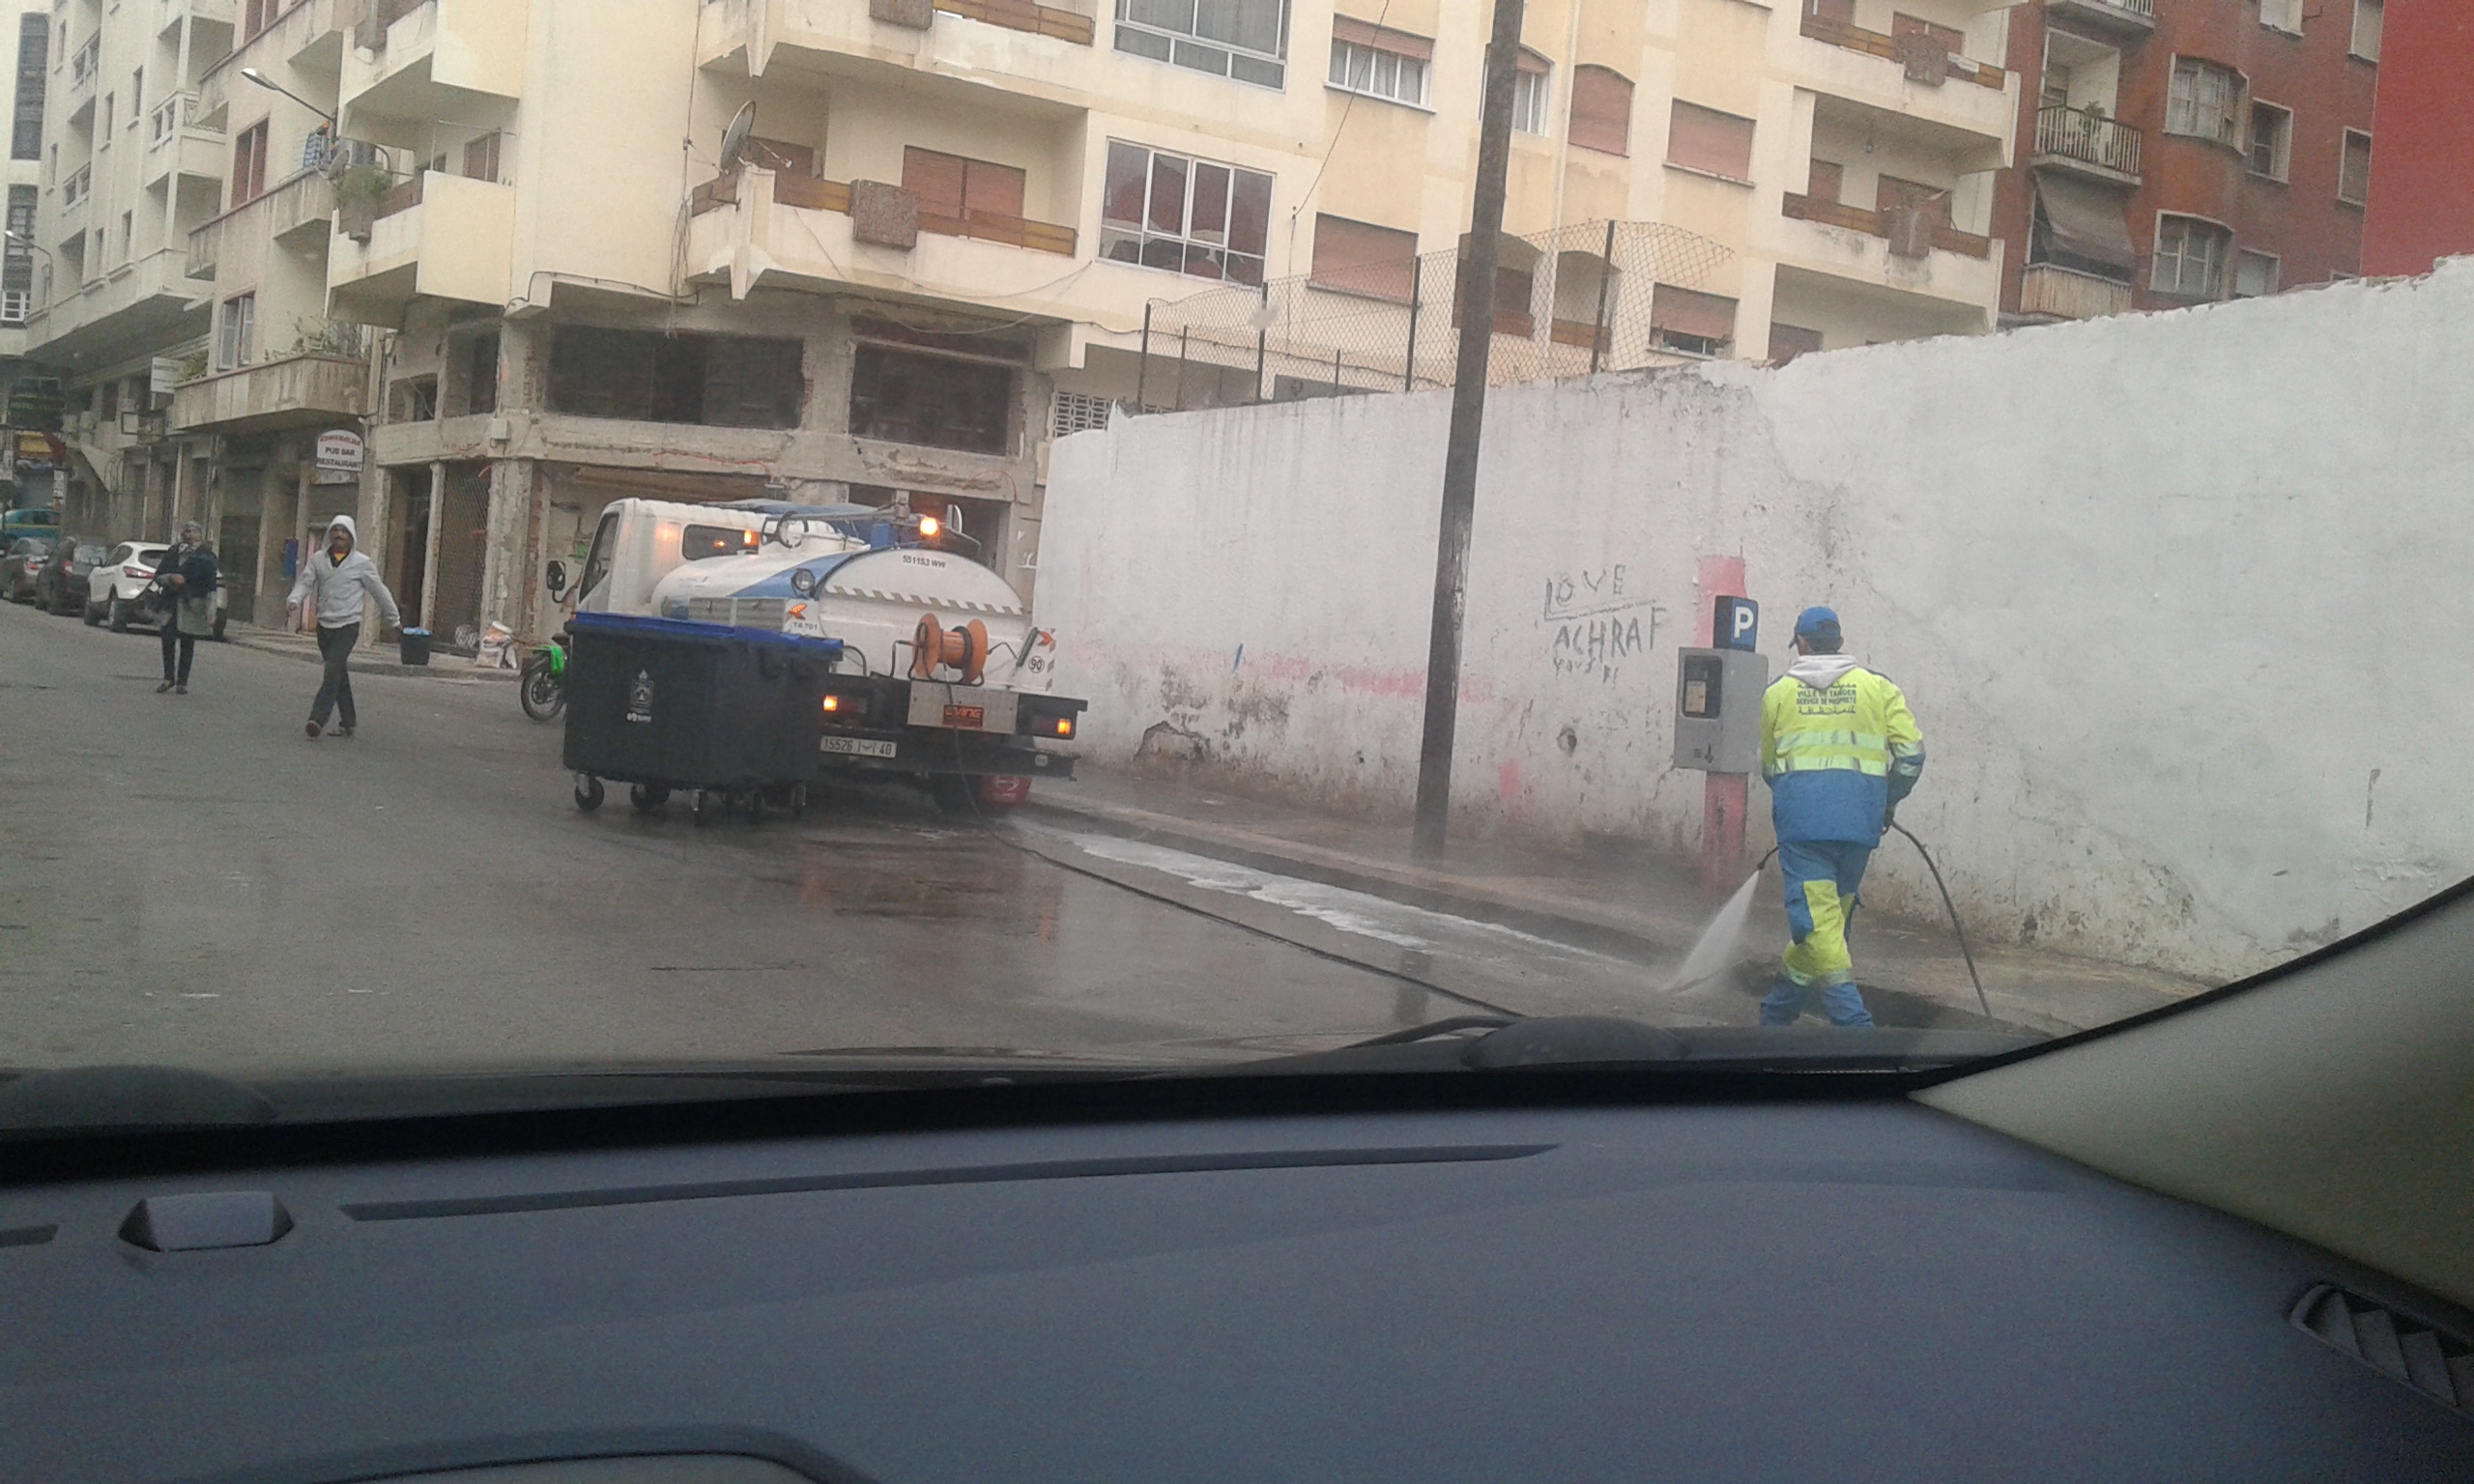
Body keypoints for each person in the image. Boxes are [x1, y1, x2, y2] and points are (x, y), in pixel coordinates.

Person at [1755, 607, 1925, 1028]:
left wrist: (1802, 800)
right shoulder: (1878, 688)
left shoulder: (1777, 693)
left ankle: (1855, 1028)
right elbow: (1911, 757)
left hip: (1804, 828)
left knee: (1818, 925)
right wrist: (1886, 799)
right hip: (1859, 827)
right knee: (1825, 926)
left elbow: (1770, 767)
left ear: (1804, 644)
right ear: (1840, 641)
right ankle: (1776, 1014)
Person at [286, 515, 400, 739]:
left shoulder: (362, 563)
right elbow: (305, 582)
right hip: (324, 626)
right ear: (330, 533)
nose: (339, 535)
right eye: (335, 530)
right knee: (338, 673)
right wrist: (294, 600)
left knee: (332, 672)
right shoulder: (318, 559)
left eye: (344, 531)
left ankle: (317, 719)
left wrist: (394, 619)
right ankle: (348, 722)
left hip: (347, 626)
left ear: (351, 536)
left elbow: (380, 591)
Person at [152, 522, 217, 696]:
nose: (189, 535)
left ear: (200, 535)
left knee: (187, 642)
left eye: (194, 532)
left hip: (192, 605)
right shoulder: (173, 552)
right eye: (186, 531)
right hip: (170, 603)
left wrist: (211, 612)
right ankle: (168, 678)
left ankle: (182, 682)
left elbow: (211, 586)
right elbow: (158, 577)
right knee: (167, 639)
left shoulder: (206, 556)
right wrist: (171, 578)